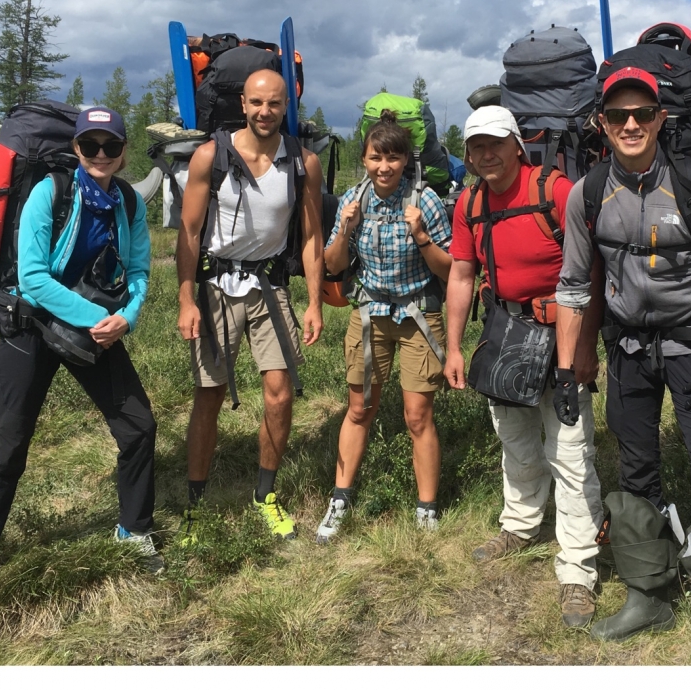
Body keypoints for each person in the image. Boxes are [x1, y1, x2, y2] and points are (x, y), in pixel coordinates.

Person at [555, 67, 691, 665]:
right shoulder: (587, 193)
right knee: (636, 478)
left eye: (641, 114)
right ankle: (650, 596)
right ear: (602, 124)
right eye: (617, 115)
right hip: (627, 353)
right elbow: (574, 286)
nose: (629, 124)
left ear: (659, 120)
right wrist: (570, 371)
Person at [0, 106, 161, 612]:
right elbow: (33, 277)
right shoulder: (51, 192)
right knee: (9, 444)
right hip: (32, 326)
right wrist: (97, 316)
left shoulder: (128, 201)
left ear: (124, 151)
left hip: (97, 330)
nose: (101, 155)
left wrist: (126, 318)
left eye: (111, 146)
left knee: (139, 427)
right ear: (77, 149)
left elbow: (138, 269)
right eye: (91, 145)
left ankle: (133, 529)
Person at [443, 105, 605, 630]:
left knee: (571, 453)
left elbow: (592, 271)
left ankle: (578, 570)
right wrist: (453, 347)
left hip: (561, 333)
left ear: (518, 145)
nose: (486, 154)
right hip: (506, 335)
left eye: (495, 143)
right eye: (476, 147)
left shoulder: (554, 192)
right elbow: (463, 275)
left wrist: (583, 349)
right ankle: (521, 523)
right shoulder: (469, 203)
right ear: (468, 155)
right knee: (514, 438)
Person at [176, 69, 324, 542]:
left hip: (269, 286)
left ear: (286, 106)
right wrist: (184, 296)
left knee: (280, 394)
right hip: (215, 286)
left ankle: (265, 495)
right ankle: (196, 506)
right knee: (210, 394)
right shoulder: (210, 157)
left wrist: (315, 302)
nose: (265, 112)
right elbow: (190, 232)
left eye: (274, 104)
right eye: (257, 103)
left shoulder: (302, 163)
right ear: (243, 103)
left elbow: (312, 237)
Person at [315, 110, 453, 542]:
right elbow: (333, 267)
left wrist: (422, 237)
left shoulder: (424, 201)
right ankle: (340, 499)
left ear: (406, 160)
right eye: (376, 157)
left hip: (417, 315)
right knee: (359, 410)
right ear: (365, 159)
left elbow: (449, 271)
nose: (384, 166)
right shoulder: (353, 200)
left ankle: (426, 509)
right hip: (370, 312)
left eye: (393, 158)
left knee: (418, 415)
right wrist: (345, 231)